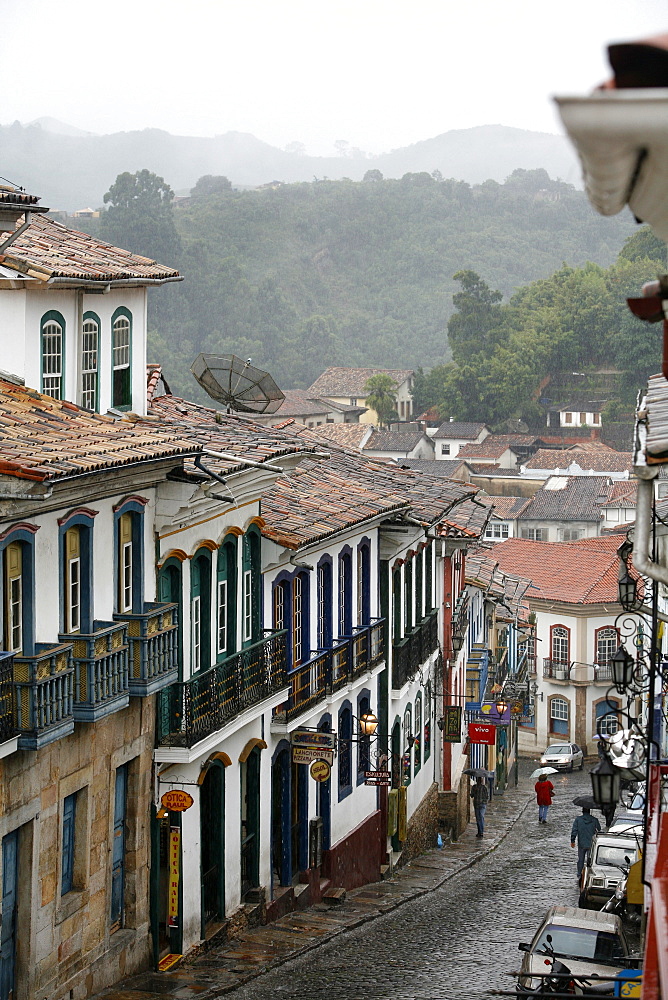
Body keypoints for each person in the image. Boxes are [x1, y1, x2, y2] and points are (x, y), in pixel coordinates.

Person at [571, 807, 601, 881]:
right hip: (591, 844)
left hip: (581, 843)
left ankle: (579, 874)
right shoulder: (594, 820)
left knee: (580, 859)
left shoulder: (578, 820)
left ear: (582, 811)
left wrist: (572, 841)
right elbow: (599, 830)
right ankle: (588, 874)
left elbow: (574, 831)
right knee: (590, 860)